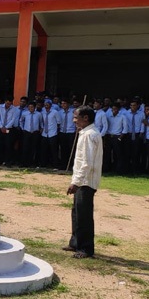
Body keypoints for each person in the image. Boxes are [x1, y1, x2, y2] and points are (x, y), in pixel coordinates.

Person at [64, 105, 102, 259]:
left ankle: (86, 248)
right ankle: (75, 242)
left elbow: (87, 163)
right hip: (82, 180)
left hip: (85, 181)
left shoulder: (89, 135)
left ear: (85, 118)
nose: (74, 120)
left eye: (76, 117)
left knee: (84, 215)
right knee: (76, 212)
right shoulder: (86, 133)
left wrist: (76, 182)